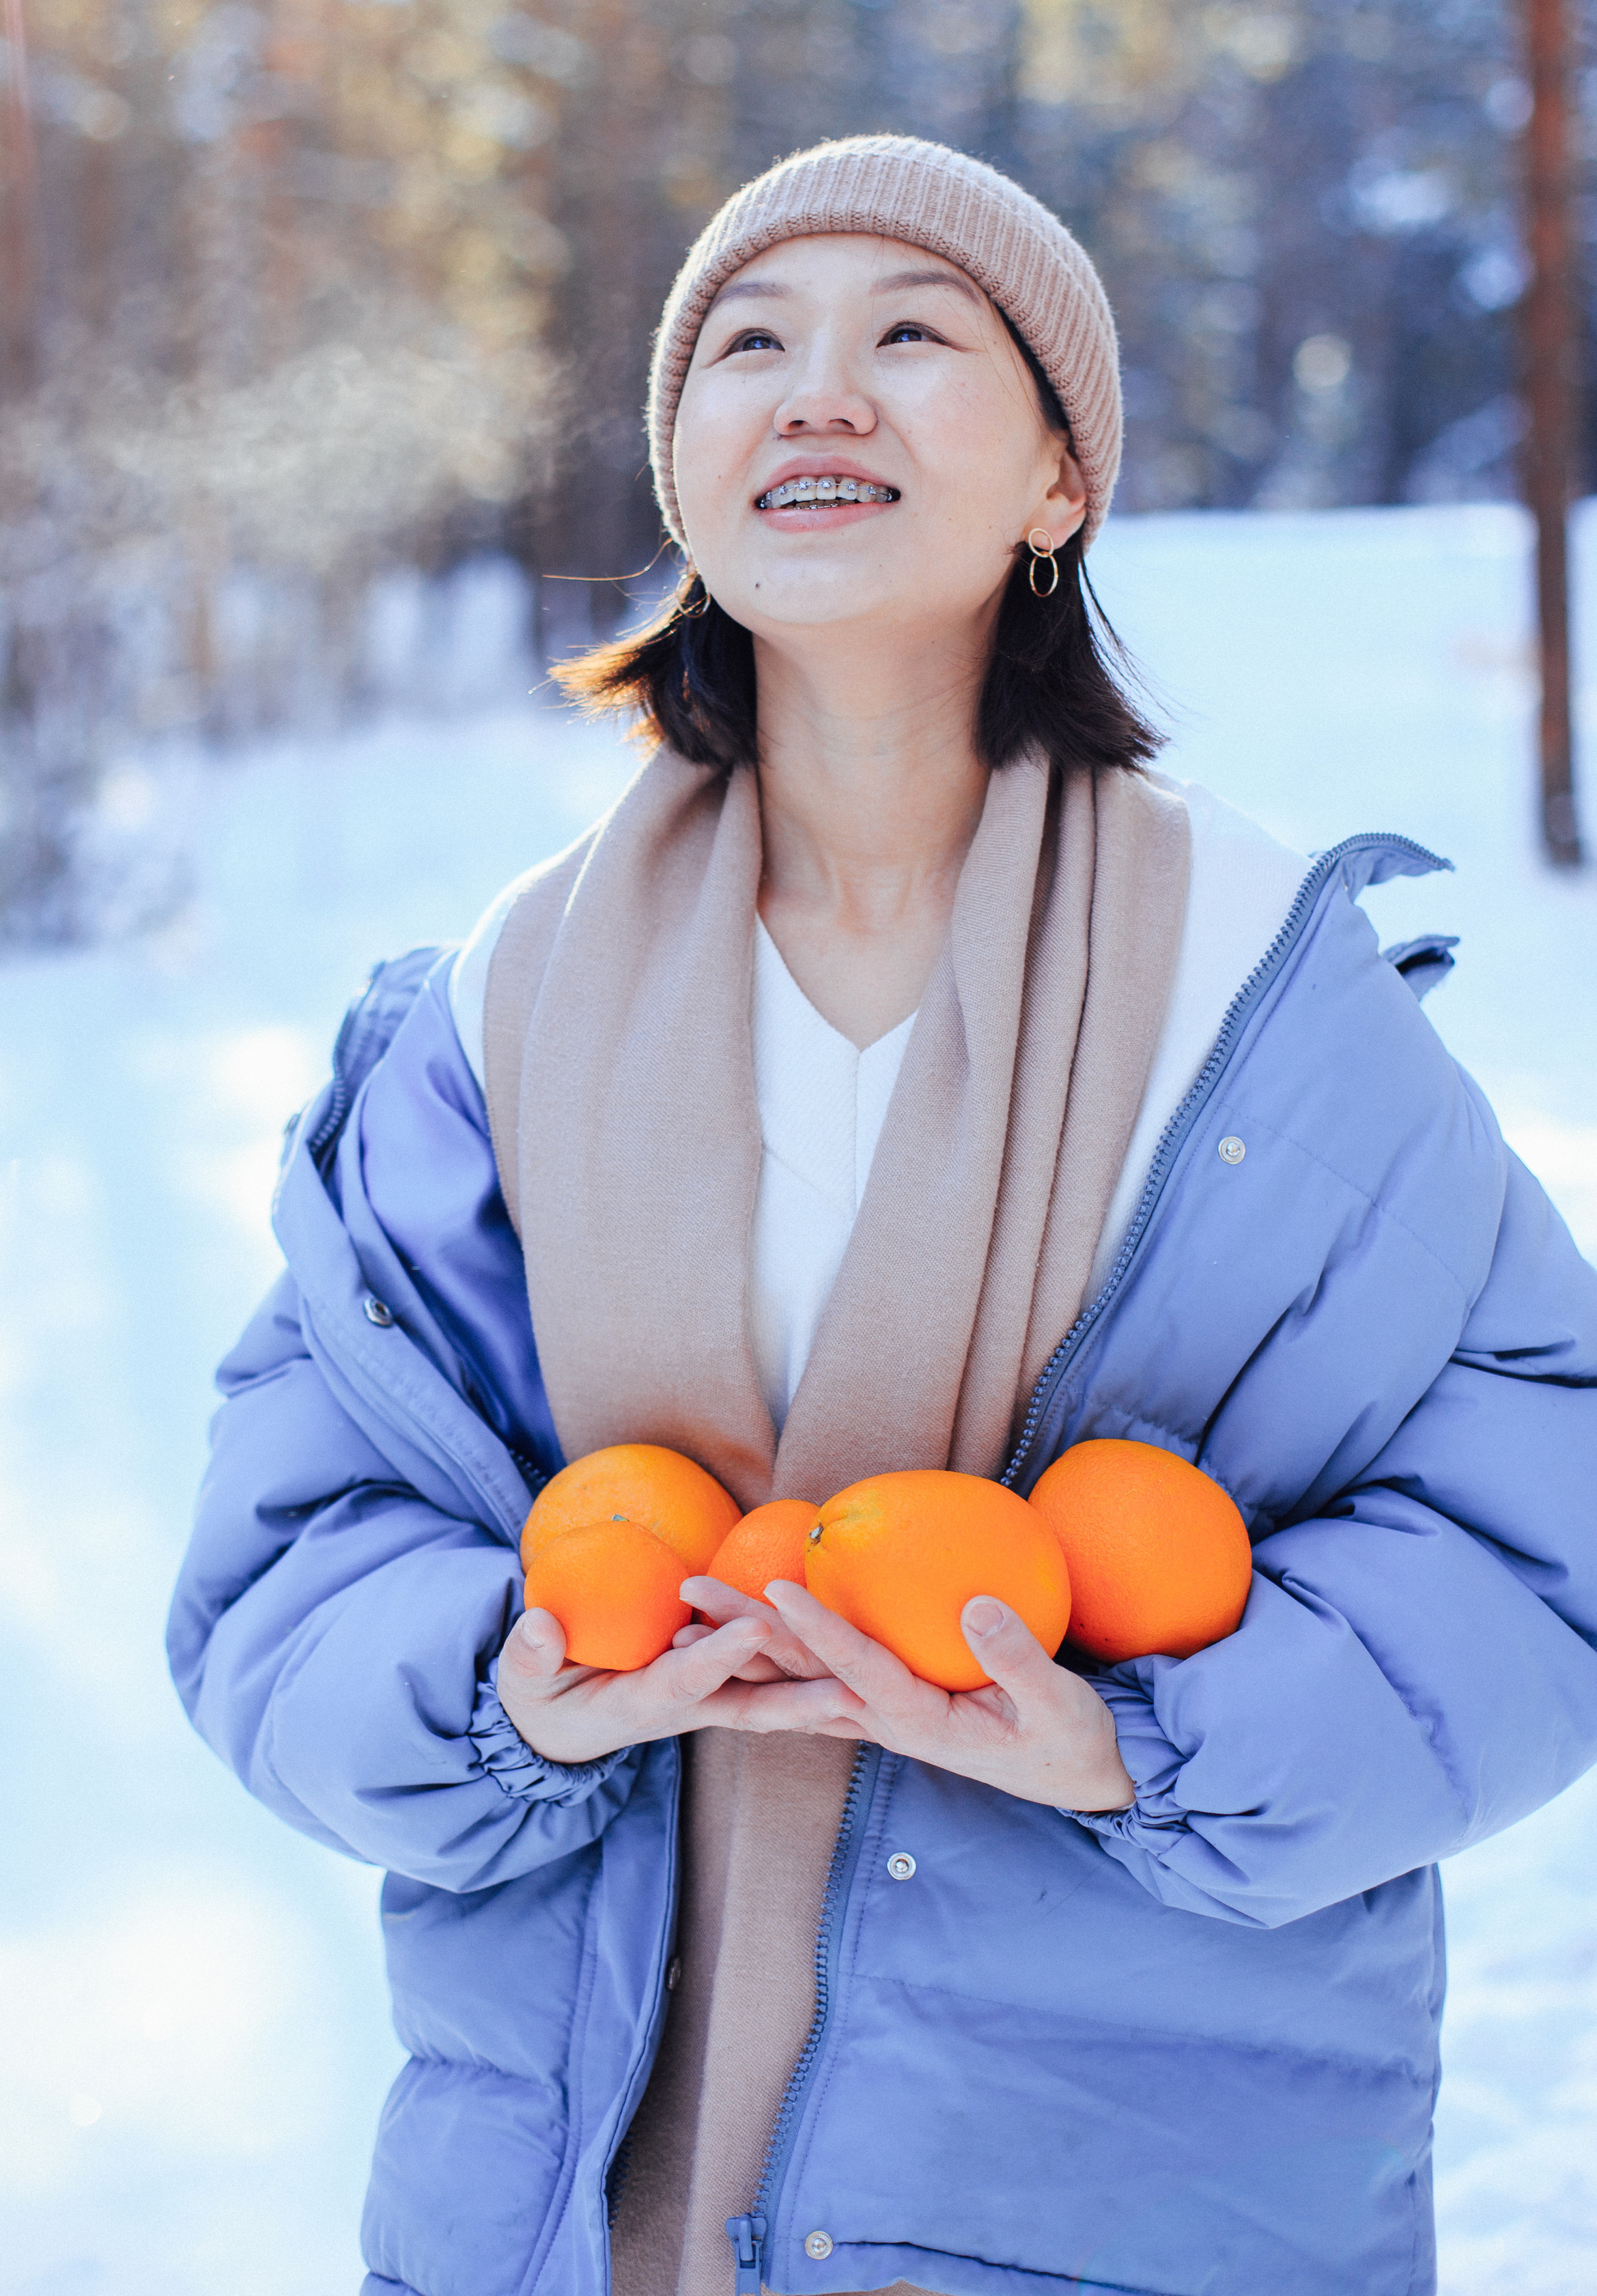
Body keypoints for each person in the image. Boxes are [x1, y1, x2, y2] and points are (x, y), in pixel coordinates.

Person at [168, 135, 1597, 2296]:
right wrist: (512, 1692)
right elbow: (299, 1532)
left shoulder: (1258, 998)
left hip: (1132, 2171)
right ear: (688, 472)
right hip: (584, 2187)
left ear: (1056, 483)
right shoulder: (501, 1007)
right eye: (750, 344)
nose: (816, 390)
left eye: (913, 335)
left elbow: (1532, 1514)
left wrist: (1141, 1746)